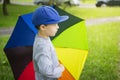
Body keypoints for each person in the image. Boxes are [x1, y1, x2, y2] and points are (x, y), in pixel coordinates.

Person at [32, 6, 69, 80]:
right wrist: (60, 69)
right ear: (43, 27)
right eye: (55, 24)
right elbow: (47, 71)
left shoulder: (44, 37)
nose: (58, 27)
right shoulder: (42, 47)